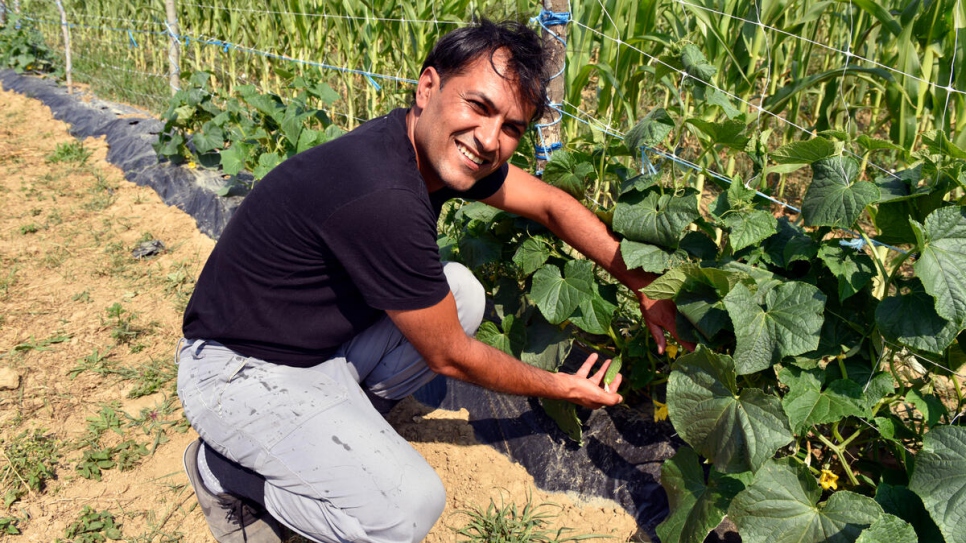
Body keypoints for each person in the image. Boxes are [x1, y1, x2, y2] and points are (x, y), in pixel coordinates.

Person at [176, 18, 685, 543]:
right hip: (236, 371)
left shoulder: (425, 146)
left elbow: (552, 206)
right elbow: (451, 357)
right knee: (405, 511)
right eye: (480, 106)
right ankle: (223, 472)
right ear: (428, 88)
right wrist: (562, 387)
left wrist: (645, 285)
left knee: (459, 290)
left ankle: (343, 432)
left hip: (313, 350)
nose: (489, 139)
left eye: (512, 127)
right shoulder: (383, 194)